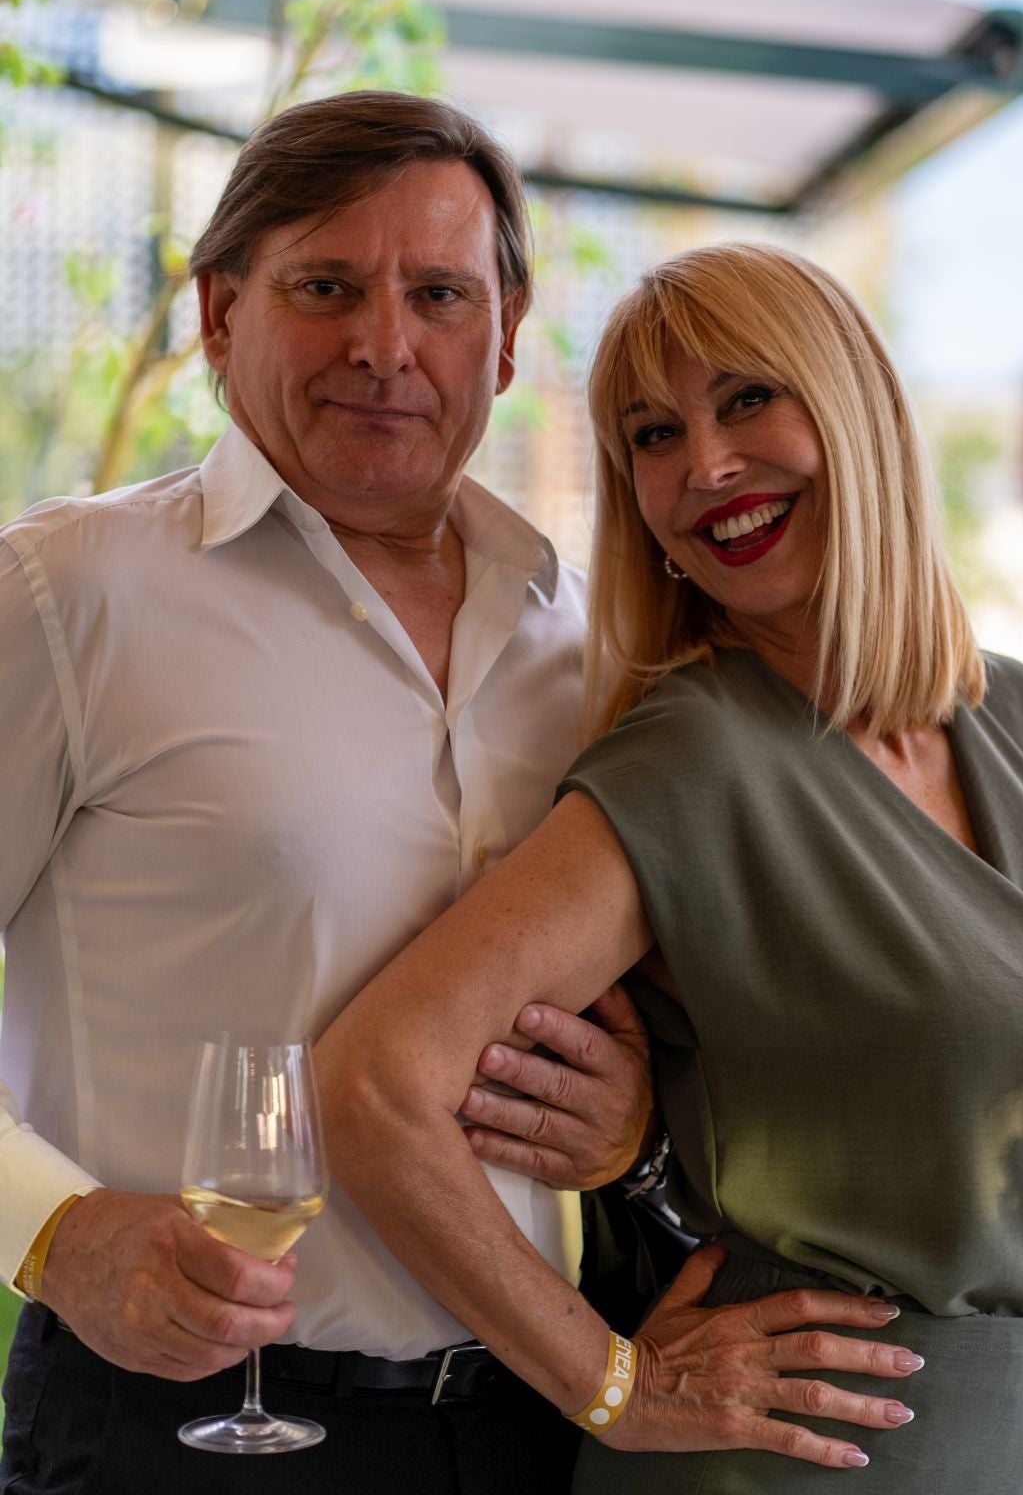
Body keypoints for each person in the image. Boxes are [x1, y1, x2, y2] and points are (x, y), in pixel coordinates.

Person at [318, 243, 1023, 1493]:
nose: (706, 467)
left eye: (748, 399)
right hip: (805, 1465)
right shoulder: (692, 757)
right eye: (653, 435)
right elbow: (371, 1082)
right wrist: (612, 1383)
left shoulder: (1018, 717)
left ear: (858, 407)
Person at [0, 93, 835, 1495]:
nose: (384, 345)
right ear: (218, 314)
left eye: (438, 294)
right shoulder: (67, 595)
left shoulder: (598, 650)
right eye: (325, 286)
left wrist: (626, 1131)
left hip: (527, 1425)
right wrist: (54, 1232)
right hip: (177, 1435)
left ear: (505, 339)